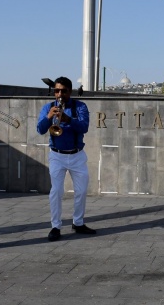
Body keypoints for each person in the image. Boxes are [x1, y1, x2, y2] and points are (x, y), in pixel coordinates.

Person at [36, 76, 96, 241]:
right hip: (56, 155)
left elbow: (84, 127)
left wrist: (67, 119)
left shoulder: (80, 106)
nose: (59, 94)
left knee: (82, 190)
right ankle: (55, 226)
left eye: (63, 91)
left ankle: (78, 222)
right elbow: (40, 130)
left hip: (77, 155)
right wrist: (49, 117)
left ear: (70, 91)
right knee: (56, 191)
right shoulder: (48, 107)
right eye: (57, 91)